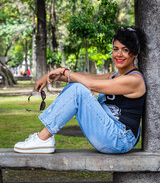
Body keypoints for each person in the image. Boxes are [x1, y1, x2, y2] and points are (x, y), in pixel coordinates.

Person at [14, 27, 146, 154]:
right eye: (115, 49)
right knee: (75, 85)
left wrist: (63, 70)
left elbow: (89, 84)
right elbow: (83, 78)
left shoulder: (134, 80)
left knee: (78, 89)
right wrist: (50, 77)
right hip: (111, 134)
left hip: (120, 139)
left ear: (134, 54)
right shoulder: (113, 76)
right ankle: (44, 138)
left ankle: (43, 138)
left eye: (125, 50)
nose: (118, 54)